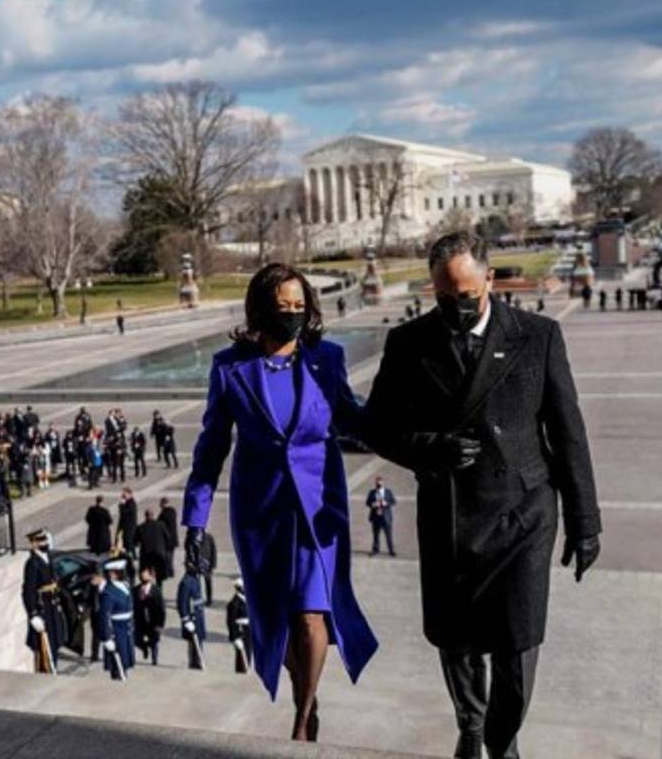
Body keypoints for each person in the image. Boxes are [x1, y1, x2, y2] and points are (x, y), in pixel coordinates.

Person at [364, 232, 601, 759]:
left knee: (519, 641)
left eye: (466, 295)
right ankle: (473, 732)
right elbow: (376, 428)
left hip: (523, 514)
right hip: (451, 513)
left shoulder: (537, 336)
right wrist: (429, 449)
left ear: (490, 280)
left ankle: (502, 733)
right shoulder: (408, 343)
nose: (455, 307)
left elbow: (567, 433)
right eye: (444, 297)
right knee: (459, 639)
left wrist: (586, 522)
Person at [182, 262, 377, 742]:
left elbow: (352, 418)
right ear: (260, 310)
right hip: (260, 514)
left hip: (316, 508)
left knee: (313, 614)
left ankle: (301, 720)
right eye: (282, 307)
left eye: (299, 307)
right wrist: (196, 520)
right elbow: (211, 448)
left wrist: (409, 432)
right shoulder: (230, 368)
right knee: (280, 621)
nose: (292, 316)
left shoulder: (326, 359)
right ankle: (302, 691)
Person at [22, 528, 67, 673]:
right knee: (44, 653)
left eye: (45, 540)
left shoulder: (47, 557)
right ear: (33, 544)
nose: (44, 543)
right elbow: (28, 591)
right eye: (41, 540)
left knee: (53, 647)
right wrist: (33, 614)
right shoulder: (32, 563)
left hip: (52, 609)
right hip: (43, 610)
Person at [96, 558, 135, 681]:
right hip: (117, 632)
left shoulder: (125, 585)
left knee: (125, 663)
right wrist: (107, 638)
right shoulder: (108, 592)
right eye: (119, 571)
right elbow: (104, 616)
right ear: (112, 573)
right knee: (118, 666)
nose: (122, 573)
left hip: (126, 629)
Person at [177, 554, 207, 671]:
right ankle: (194, 662)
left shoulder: (195, 578)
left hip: (198, 615)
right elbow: (182, 603)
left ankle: (197, 661)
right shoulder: (186, 582)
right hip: (192, 617)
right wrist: (186, 619)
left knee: (199, 640)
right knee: (193, 641)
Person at [133, 566, 166, 665]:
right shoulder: (135, 590)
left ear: (151, 577)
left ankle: (154, 659)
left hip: (153, 619)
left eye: (146, 574)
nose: (143, 576)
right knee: (137, 639)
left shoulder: (156, 591)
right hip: (140, 619)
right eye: (142, 574)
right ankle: (144, 647)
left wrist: (160, 624)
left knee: (154, 640)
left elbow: (161, 608)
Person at [134, 509, 171, 580]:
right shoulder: (161, 525)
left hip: (146, 554)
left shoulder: (141, 527)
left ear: (145, 516)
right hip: (159, 553)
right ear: (153, 515)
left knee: (146, 572)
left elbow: (135, 541)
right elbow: (168, 537)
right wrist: (166, 549)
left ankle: (148, 585)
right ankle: (159, 586)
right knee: (159, 573)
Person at [365, 476, 397, 557]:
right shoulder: (372, 492)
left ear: (383, 483)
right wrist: (373, 504)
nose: (378, 485)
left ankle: (391, 550)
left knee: (389, 535)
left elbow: (393, 501)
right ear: (375, 484)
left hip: (386, 517)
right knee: (376, 535)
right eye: (377, 483)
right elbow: (367, 502)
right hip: (376, 518)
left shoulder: (388, 492)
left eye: (380, 483)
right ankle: (375, 550)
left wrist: (386, 503)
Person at [227, 578, 253, 674]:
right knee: (241, 654)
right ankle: (241, 671)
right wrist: (235, 637)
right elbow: (231, 622)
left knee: (248, 650)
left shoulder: (246, 600)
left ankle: (248, 667)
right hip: (240, 630)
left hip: (248, 629)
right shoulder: (234, 603)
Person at [158, 497, 179, 579]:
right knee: (171, 556)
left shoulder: (163, 514)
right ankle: (171, 571)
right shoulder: (173, 512)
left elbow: (160, 524)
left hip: (167, 539)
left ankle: (168, 571)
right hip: (174, 538)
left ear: (163, 504)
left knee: (167, 556)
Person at [116, 487, 138, 558]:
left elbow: (124, 513)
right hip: (125, 526)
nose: (123, 496)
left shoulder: (131, 503)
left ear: (129, 494)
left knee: (129, 542)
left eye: (124, 494)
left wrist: (121, 505)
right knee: (126, 542)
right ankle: (130, 555)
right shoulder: (128, 502)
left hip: (129, 527)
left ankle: (132, 557)